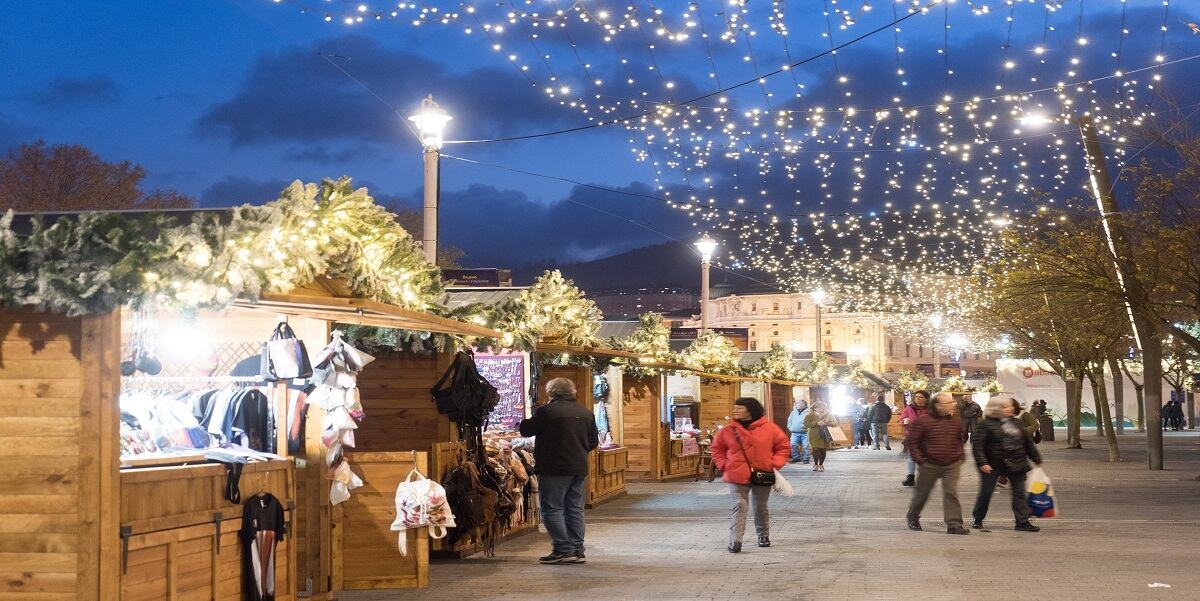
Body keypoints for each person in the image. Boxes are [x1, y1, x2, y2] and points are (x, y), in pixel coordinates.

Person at [519, 377, 599, 564]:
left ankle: (563, 549)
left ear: (551, 393)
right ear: (572, 392)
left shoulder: (547, 412)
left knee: (551, 508)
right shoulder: (586, 412)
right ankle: (577, 549)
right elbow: (593, 442)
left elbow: (526, 430)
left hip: (554, 468)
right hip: (579, 467)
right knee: (575, 509)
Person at [709, 397, 789, 553]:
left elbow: (783, 447)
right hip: (736, 474)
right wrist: (725, 465)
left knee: (760, 507)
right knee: (739, 505)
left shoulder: (770, 428)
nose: (735, 411)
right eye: (734, 408)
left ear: (750, 410)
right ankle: (735, 540)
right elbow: (716, 449)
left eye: (739, 408)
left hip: (762, 473)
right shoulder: (728, 430)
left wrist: (773, 463)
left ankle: (763, 535)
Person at [971, 394, 1043, 532]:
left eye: (1010, 406)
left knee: (1019, 493)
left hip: (1017, 462)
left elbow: (1027, 442)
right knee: (986, 492)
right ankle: (978, 518)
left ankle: (1022, 522)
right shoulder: (985, 425)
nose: (1010, 408)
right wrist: (983, 463)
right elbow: (978, 446)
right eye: (1005, 407)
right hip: (993, 463)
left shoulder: (1016, 422)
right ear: (996, 409)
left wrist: (1036, 458)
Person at [905, 391, 969, 535]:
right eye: (949, 403)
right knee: (922, 493)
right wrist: (920, 460)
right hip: (929, 464)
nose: (953, 405)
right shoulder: (922, 421)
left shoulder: (955, 420)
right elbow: (912, 442)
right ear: (938, 405)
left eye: (953, 402)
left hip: (952, 464)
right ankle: (913, 516)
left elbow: (959, 440)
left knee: (951, 493)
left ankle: (954, 524)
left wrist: (960, 455)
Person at [899, 390, 930, 486]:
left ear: (926, 399)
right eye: (916, 397)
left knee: (925, 457)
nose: (918, 398)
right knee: (912, 457)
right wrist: (904, 421)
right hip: (912, 436)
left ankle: (925, 477)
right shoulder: (909, 408)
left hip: (926, 437)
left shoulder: (930, 409)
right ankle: (910, 477)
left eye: (920, 397)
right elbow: (901, 420)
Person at [804, 400, 840, 472]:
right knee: (815, 449)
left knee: (823, 450)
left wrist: (827, 423)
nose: (820, 409)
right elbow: (806, 424)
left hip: (825, 434)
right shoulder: (809, 415)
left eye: (822, 407)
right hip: (814, 435)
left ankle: (821, 464)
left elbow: (835, 423)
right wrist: (817, 423)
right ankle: (815, 464)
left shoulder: (828, 414)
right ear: (814, 408)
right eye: (817, 408)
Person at [786, 399, 811, 463]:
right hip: (794, 433)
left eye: (798, 403)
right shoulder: (793, 412)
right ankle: (796, 458)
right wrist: (790, 427)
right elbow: (789, 420)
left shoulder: (809, 412)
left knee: (806, 446)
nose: (796, 404)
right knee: (793, 444)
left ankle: (806, 459)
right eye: (796, 403)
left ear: (803, 404)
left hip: (805, 433)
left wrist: (808, 429)